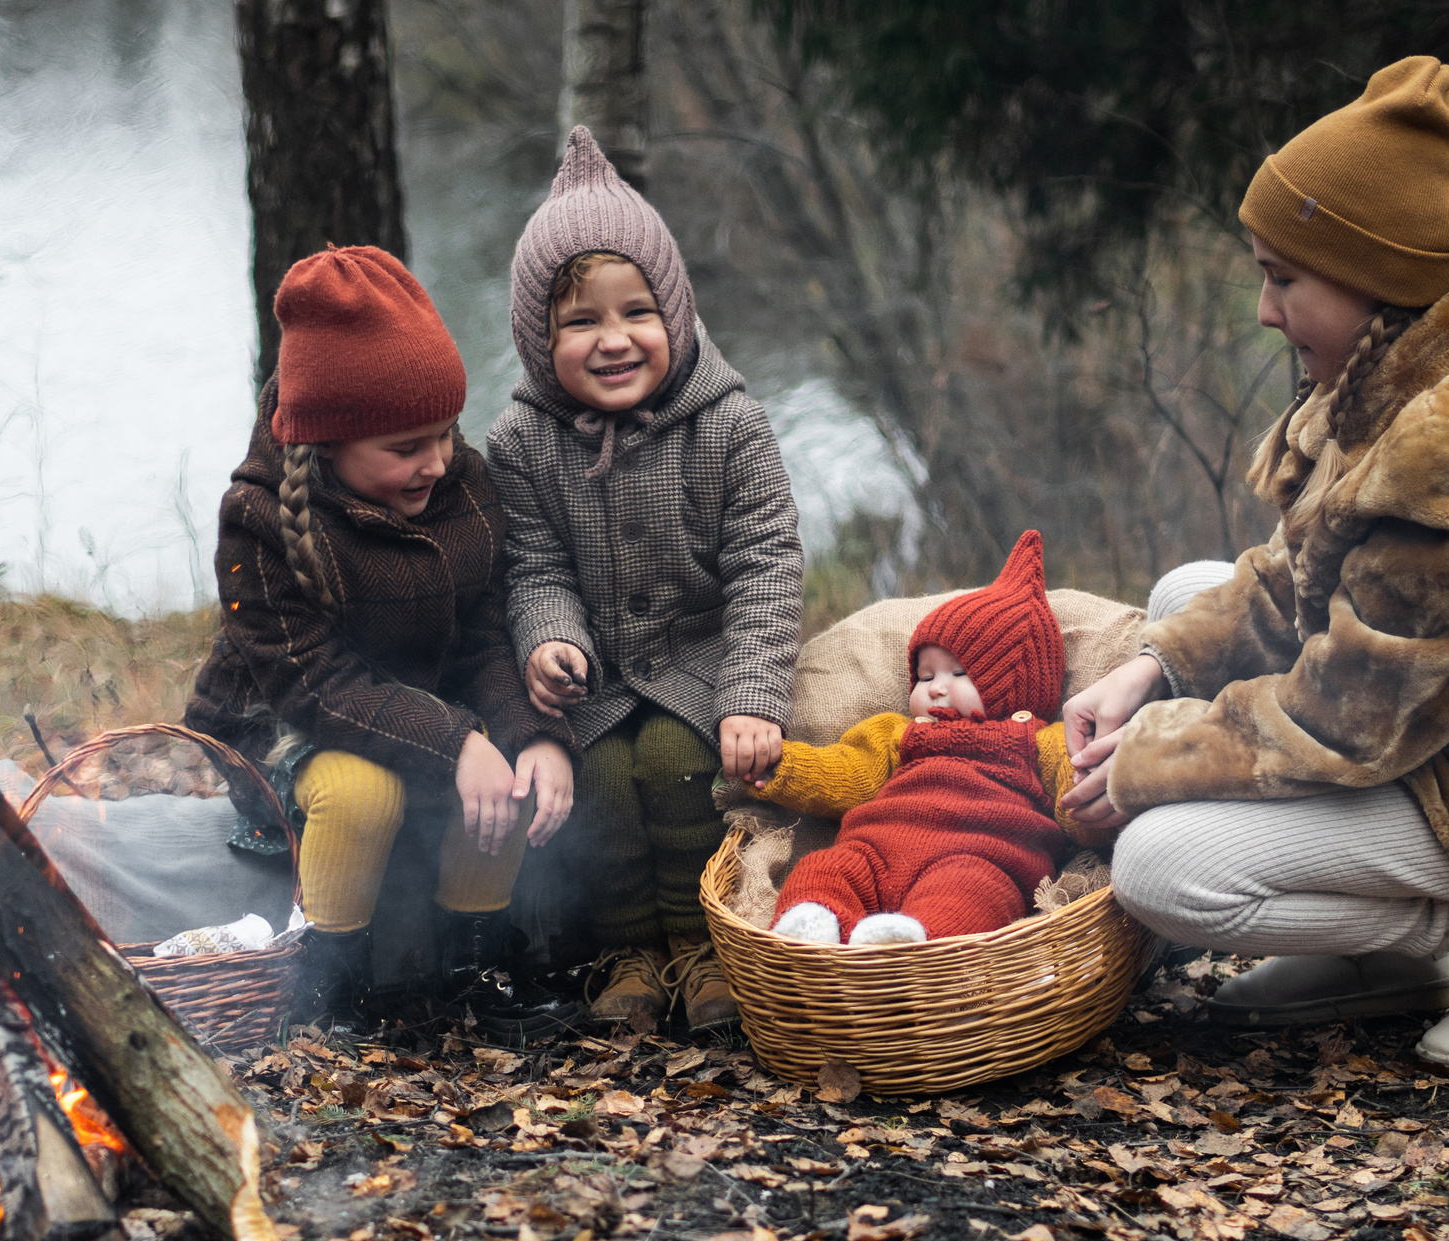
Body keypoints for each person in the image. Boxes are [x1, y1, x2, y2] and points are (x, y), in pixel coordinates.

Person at [1058, 56, 1449, 1076]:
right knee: (1182, 597)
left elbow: (1342, 724)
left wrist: (1144, 757)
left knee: (1161, 868)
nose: (1265, 312)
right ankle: (1375, 961)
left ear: (1375, 280)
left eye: (1283, 280)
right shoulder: (1391, 365)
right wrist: (1159, 667)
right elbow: (1293, 574)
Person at [185, 246, 581, 1043]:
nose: (435, 463)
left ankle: (475, 965)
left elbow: (483, 638)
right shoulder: (259, 520)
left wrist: (532, 734)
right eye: (404, 448)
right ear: (329, 439)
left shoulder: (461, 486)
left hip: (422, 704)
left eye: (444, 434)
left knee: (500, 775)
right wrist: (455, 739)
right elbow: (314, 686)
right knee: (368, 793)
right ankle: (327, 984)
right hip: (288, 721)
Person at [490, 126, 806, 1034]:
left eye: (638, 312)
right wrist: (550, 638)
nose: (614, 340)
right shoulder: (522, 441)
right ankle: (627, 947)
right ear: (536, 336)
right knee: (598, 768)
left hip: (701, 662)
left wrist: (752, 694)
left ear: (675, 308)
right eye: (580, 321)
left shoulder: (729, 424)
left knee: (676, 760)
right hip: (599, 674)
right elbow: (535, 566)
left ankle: (704, 944)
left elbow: (767, 565)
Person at [757, 533, 1092, 944]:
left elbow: (1075, 788)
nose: (934, 688)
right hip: (875, 849)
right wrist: (781, 764)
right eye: (926, 676)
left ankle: (912, 943)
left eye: (959, 673)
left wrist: (1095, 794)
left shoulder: (1037, 740)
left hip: (978, 855)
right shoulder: (899, 733)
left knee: (973, 893)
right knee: (823, 868)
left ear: (1014, 687)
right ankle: (815, 922)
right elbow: (847, 769)